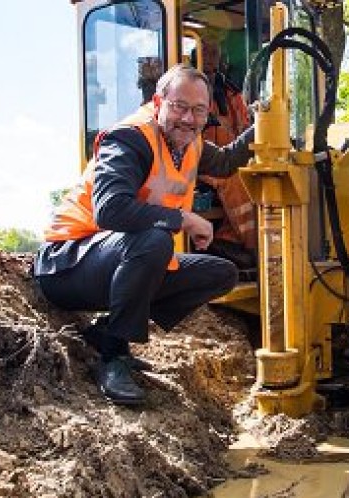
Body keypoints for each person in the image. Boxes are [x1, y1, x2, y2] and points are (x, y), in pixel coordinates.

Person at [33, 64, 255, 406]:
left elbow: (225, 162)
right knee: (155, 240)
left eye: (198, 110)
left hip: (119, 260)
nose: (188, 118)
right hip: (67, 263)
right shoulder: (130, 138)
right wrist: (182, 218)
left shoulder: (190, 144)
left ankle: (107, 330)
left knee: (221, 272)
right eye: (179, 106)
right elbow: (110, 210)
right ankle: (113, 357)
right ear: (158, 101)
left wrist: (266, 123)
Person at [197, 39, 257, 268]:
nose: (210, 57)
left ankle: (228, 240)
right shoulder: (191, 92)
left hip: (226, 158)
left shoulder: (231, 94)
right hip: (200, 162)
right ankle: (254, 248)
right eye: (205, 52)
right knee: (234, 180)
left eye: (214, 52)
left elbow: (243, 126)